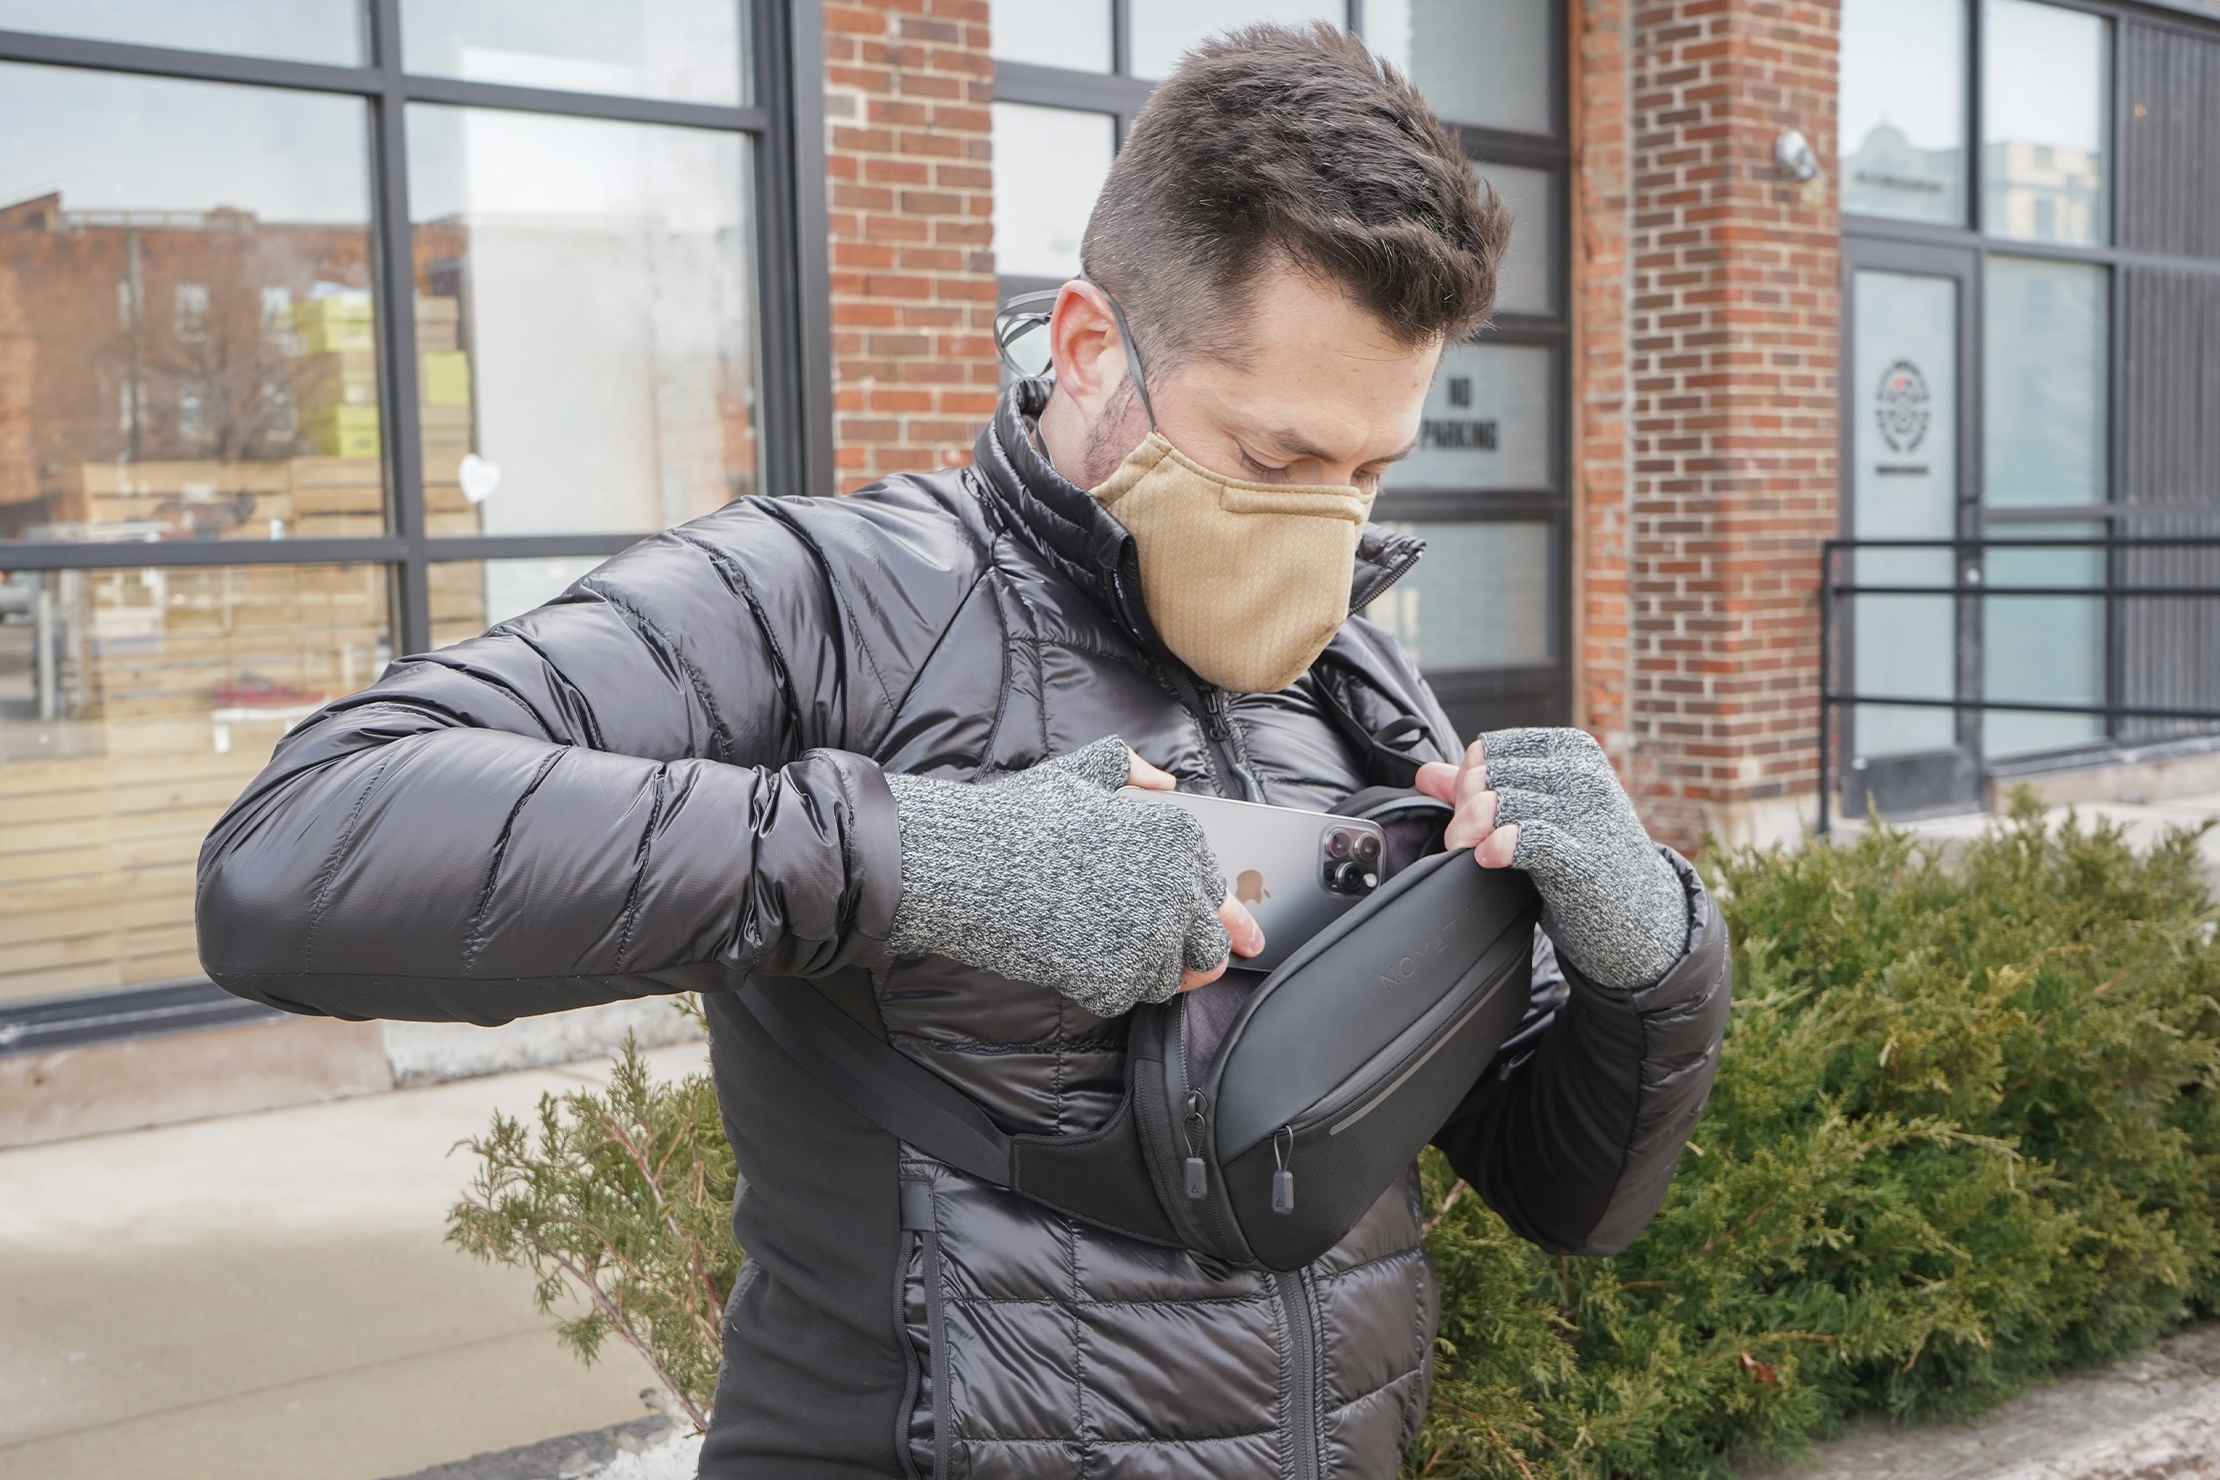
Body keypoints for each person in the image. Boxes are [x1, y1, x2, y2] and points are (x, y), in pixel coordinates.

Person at [196, 23, 1728, 1480]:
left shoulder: (1349, 675)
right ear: (1088, 345)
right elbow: (298, 849)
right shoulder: (829, 597)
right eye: (1274, 457)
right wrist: (921, 860)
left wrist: (1649, 965)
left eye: (1370, 470)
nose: (1325, 525)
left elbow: (1565, 1184)